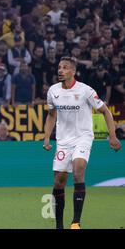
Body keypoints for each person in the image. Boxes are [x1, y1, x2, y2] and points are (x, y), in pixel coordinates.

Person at [43, 57, 121, 229]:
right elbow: (51, 115)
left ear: (72, 71)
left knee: (78, 170)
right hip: (63, 141)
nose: (60, 70)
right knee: (59, 182)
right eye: (59, 67)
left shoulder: (86, 91)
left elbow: (106, 112)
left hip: (83, 137)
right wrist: (47, 136)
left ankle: (76, 222)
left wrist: (113, 136)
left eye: (64, 68)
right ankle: (59, 225)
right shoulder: (53, 91)